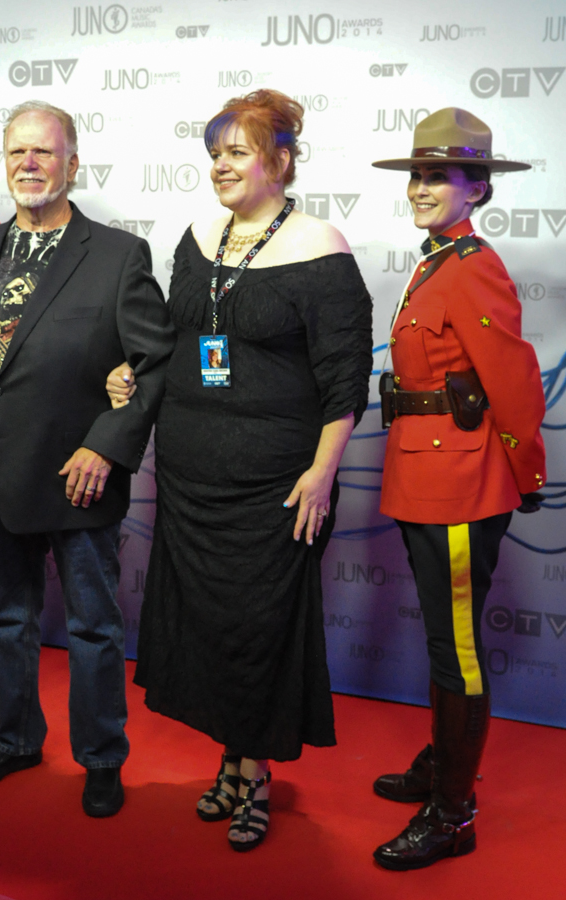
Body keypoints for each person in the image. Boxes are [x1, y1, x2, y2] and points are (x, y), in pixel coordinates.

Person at [107, 89, 372, 850]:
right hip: (189, 474)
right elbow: (171, 339)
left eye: (236, 151)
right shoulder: (195, 238)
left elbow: (344, 380)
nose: (219, 164)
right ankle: (234, 760)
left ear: (280, 161)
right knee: (213, 629)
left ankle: (253, 776)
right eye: (214, 151)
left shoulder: (322, 247)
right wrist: (129, 372)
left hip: (277, 483)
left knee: (259, 629)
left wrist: (321, 474)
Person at [0, 101, 175, 817]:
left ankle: (101, 757)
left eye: (44, 152)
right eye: (16, 154)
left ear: (72, 163)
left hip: (77, 477)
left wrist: (106, 443)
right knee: (6, 617)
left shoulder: (118, 255)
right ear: (5, 164)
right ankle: (16, 738)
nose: (29, 165)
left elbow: (153, 364)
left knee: (94, 627)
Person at [369, 108, 547, 869]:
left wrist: (525, 470)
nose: (422, 187)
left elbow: (511, 379)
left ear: (477, 187)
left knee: (459, 650)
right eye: (417, 173)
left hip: (462, 482)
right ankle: (445, 765)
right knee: (447, 639)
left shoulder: (472, 264)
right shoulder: (435, 258)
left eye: (439, 175)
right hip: (423, 469)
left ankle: (454, 812)